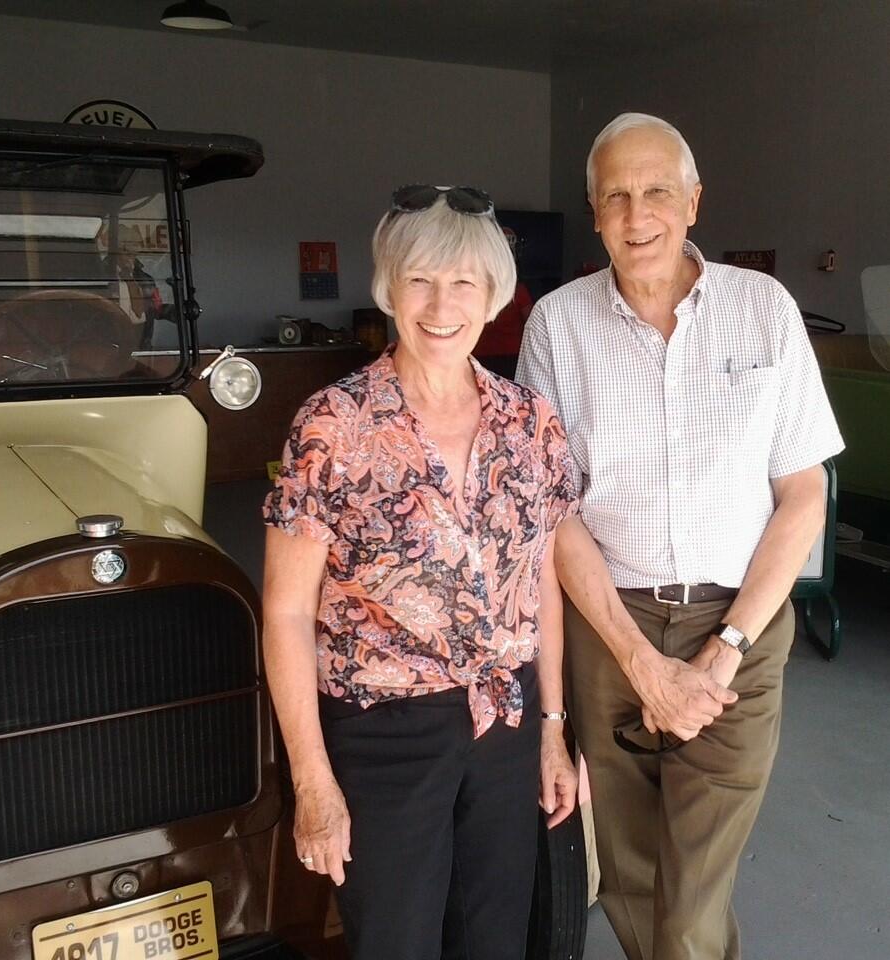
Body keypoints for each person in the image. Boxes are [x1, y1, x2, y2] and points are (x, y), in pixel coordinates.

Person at [516, 113, 844, 960]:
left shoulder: (762, 309)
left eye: (656, 190)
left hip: (737, 626)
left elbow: (802, 494)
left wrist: (725, 649)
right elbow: (551, 513)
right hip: (606, 624)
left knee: (691, 900)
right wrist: (636, 662)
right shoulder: (556, 325)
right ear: (593, 213)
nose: (637, 214)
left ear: (692, 202)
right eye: (615, 196)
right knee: (626, 870)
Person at [263, 184, 580, 960]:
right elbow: (284, 615)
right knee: (396, 942)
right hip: (382, 734)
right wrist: (312, 782)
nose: (442, 304)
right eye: (419, 280)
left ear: (494, 295)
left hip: (504, 722)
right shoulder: (331, 424)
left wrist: (550, 730)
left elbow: (540, 583)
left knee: (494, 937)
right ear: (389, 289)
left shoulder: (528, 421)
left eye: (464, 283)